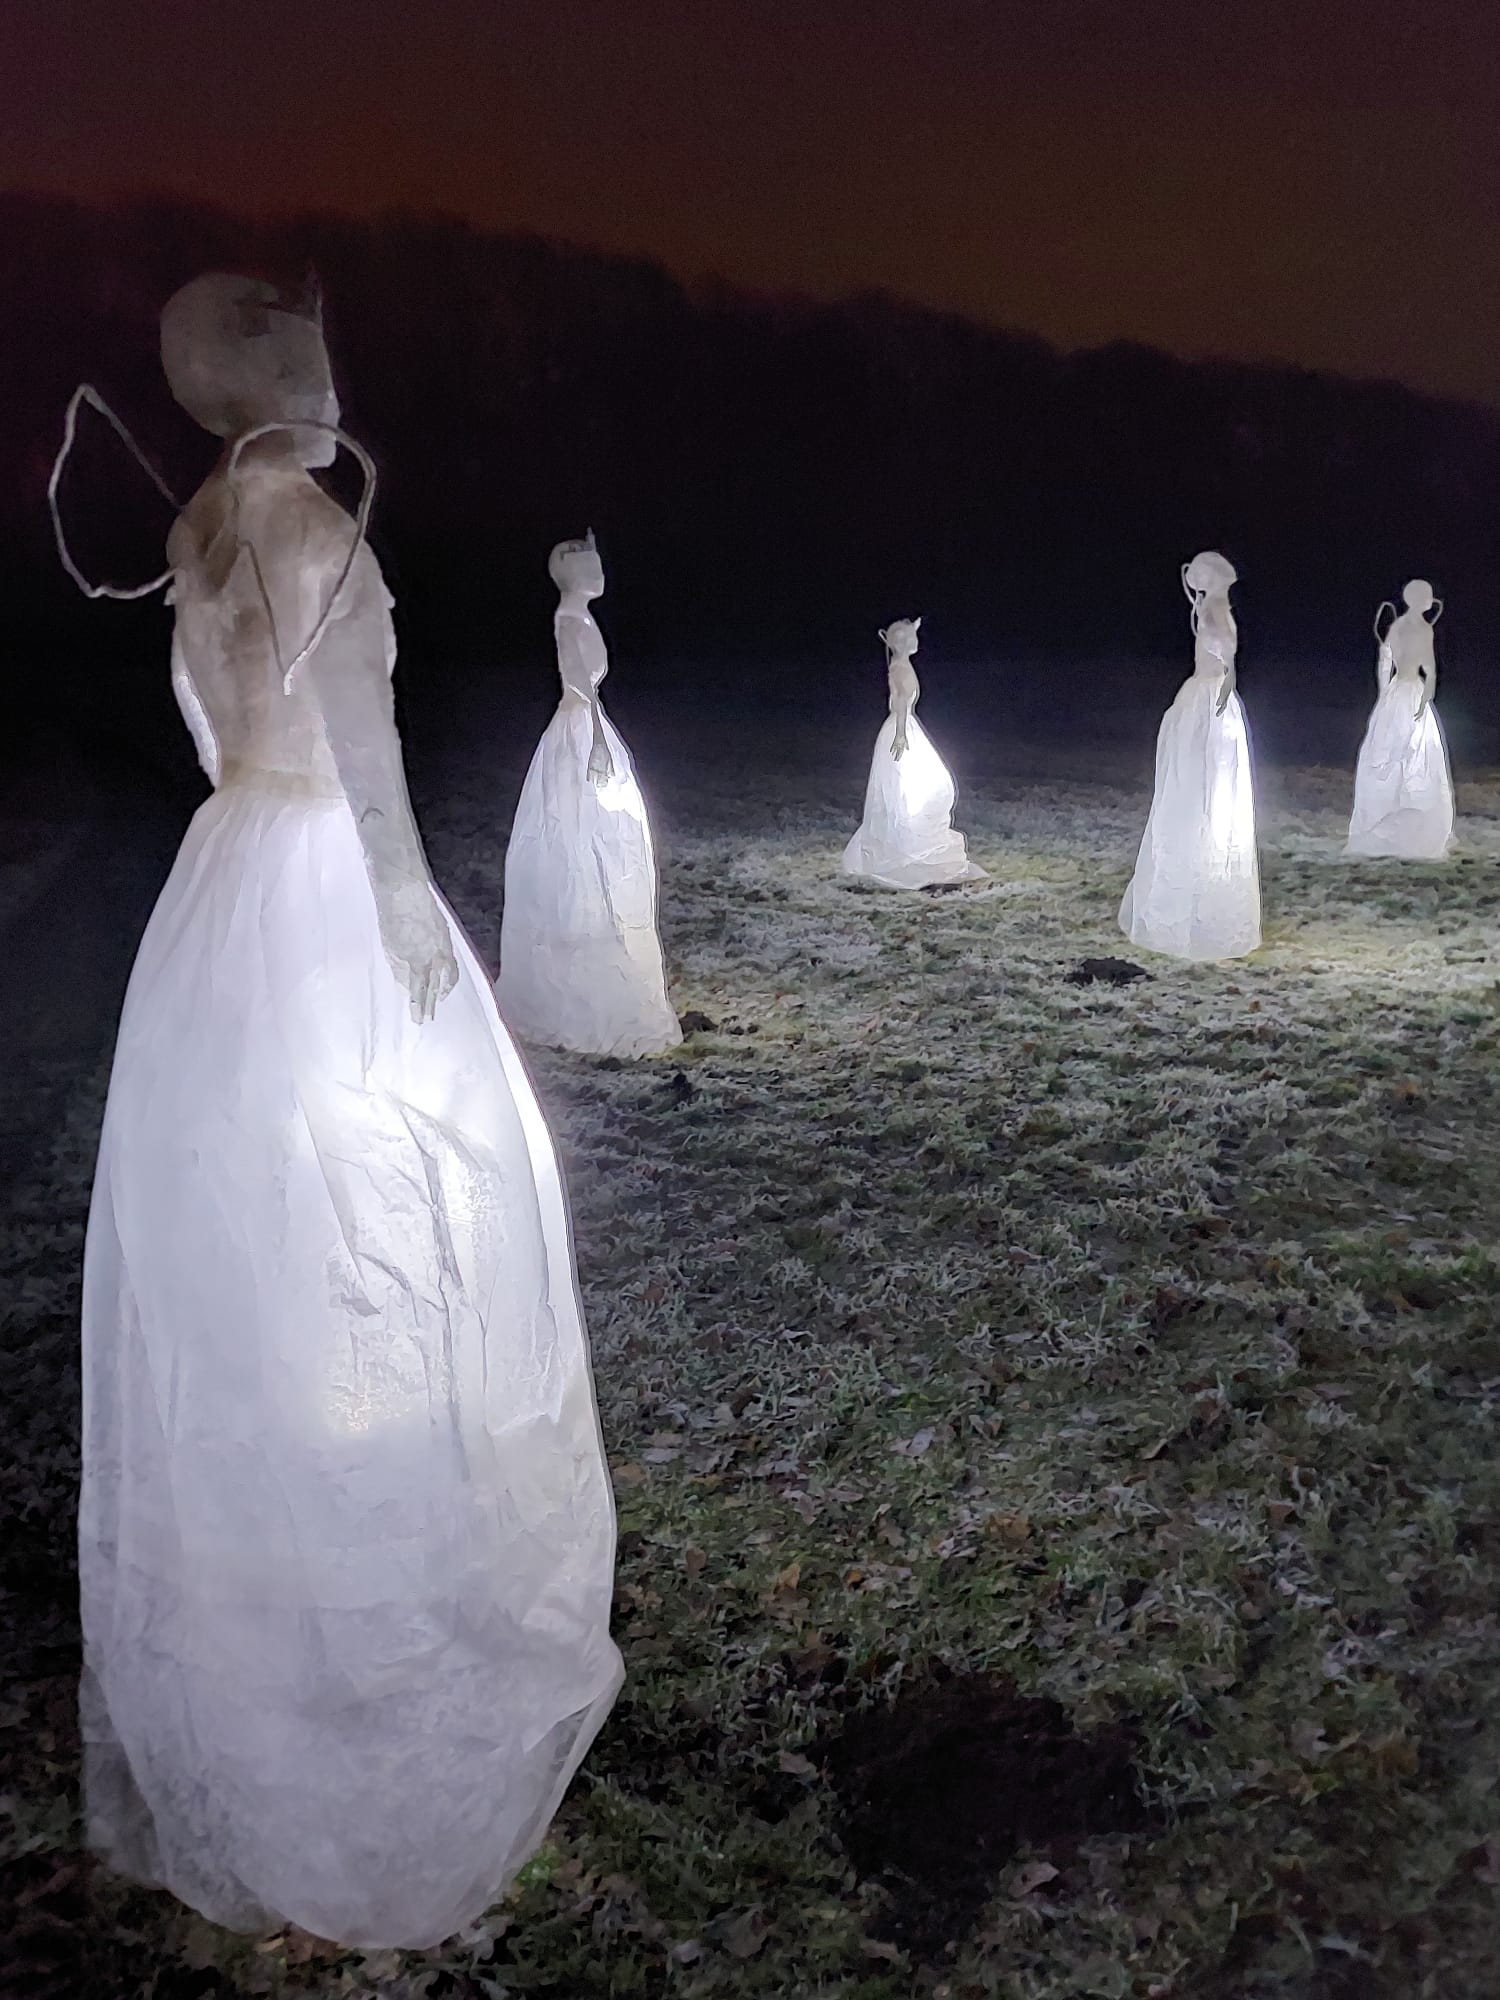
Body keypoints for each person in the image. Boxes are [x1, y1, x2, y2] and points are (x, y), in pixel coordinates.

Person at [69, 273, 621, 1949]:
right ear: (275, 371)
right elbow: (360, 734)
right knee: (381, 1189)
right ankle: (376, 1554)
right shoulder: (310, 528)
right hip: (317, 870)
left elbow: (205, 723)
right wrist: (392, 897)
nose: (332, 378)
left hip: (224, 873)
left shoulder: (197, 527)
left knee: (250, 1209)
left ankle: (271, 1563)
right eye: (309, 355)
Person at [497, 533, 681, 1056]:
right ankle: (578, 955)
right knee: (579, 836)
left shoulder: (579, 618)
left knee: (599, 837)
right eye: (590, 568)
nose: (599, 576)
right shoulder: (569, 620)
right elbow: (579, 684)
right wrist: (597, 741)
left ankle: (599, 934)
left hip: (589, 727)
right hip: (581, 732)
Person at [1119, 551, 1261, 961]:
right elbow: (1224, 659)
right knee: (1194, 784)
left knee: (1204, 785)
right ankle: (1193, 884)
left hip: (1210, 699)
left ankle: (1205, 889)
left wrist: (1224, 691)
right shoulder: (1211, 609)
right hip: (1205, 698)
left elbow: (1226, 660)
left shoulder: (1215, 610)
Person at [841, 617, 987, 888]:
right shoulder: (899, 668)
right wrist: (900, 733)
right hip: (902, 730)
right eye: (910, 638)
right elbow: (899, 701)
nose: (915, 642)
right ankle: (907, 850)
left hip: (906, 726)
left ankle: (912, 843)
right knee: (916, 786)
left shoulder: (901, 665)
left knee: (924, 786)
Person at [1346, 579, 1455, 859]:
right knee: (1413, 753)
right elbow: (1430, 669)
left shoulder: (1397, 627)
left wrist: (1385, 695)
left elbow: (1385, 664)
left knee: (1394, 750)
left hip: (1396, 694)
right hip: (1412, 691)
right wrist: (1426, 695)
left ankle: (1393, 822)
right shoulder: (1423, 629)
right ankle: (1411, 828)